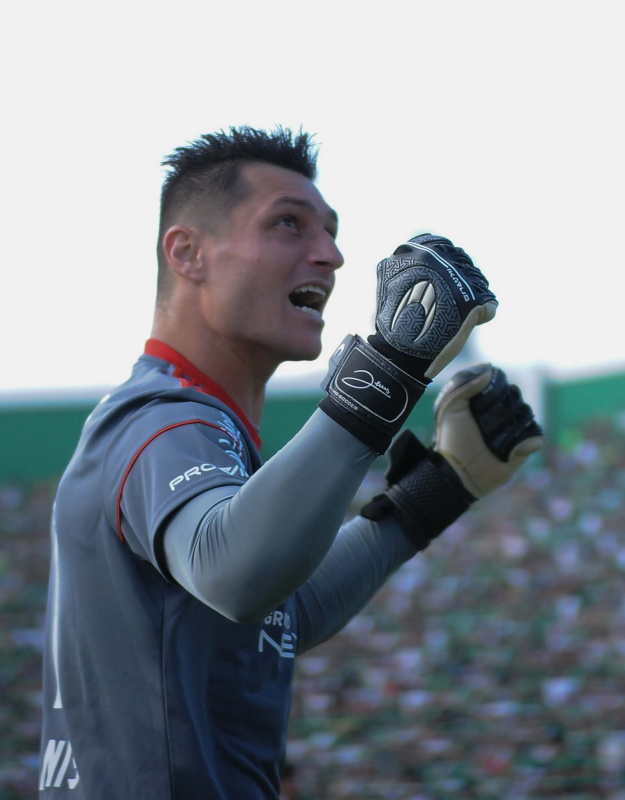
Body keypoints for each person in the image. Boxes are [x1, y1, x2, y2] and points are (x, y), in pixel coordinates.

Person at [37, 127, 544, 798]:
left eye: (331, 232)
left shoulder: (196, 430)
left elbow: (282, 606)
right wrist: (386, 372)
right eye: (287, 224)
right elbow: (236, 571)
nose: (330, 255)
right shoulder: (163, 418)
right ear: (188, 254)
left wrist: (440, 488)